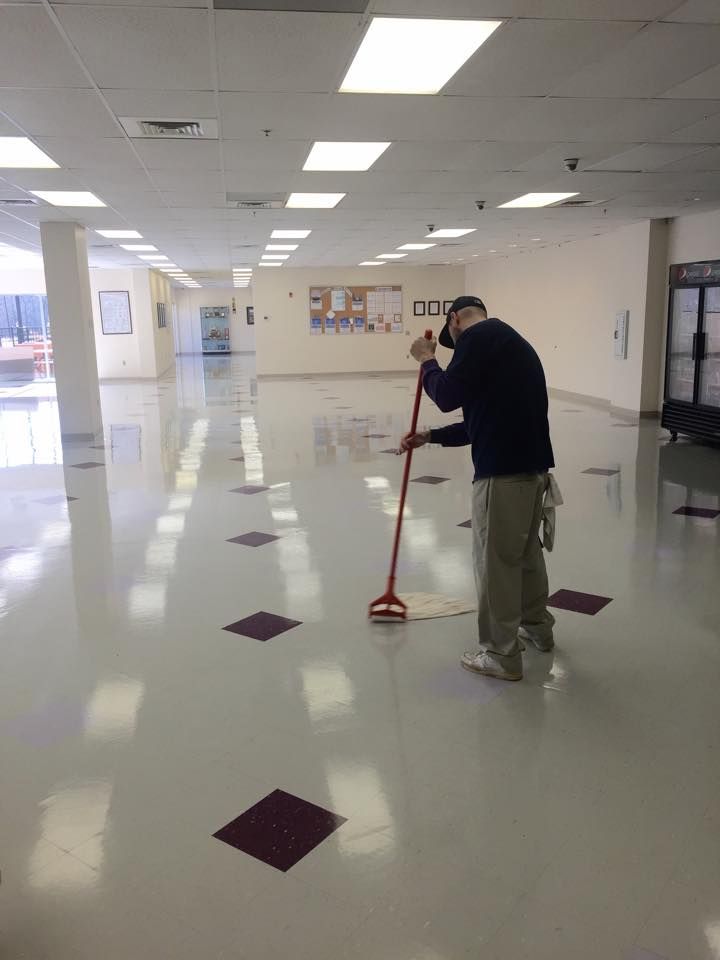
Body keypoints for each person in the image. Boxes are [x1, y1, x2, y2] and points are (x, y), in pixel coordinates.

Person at [401, 296, 558, 682]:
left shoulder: (479, 337)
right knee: (525, 556)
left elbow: (447, 395)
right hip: (531, 471)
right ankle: (538, 627)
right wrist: (431, 436)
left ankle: (501, 655)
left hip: (502, 476)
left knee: (496, 565)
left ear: (454, 319)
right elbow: (476, 423)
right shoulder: (511, 343)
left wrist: (426, 360)